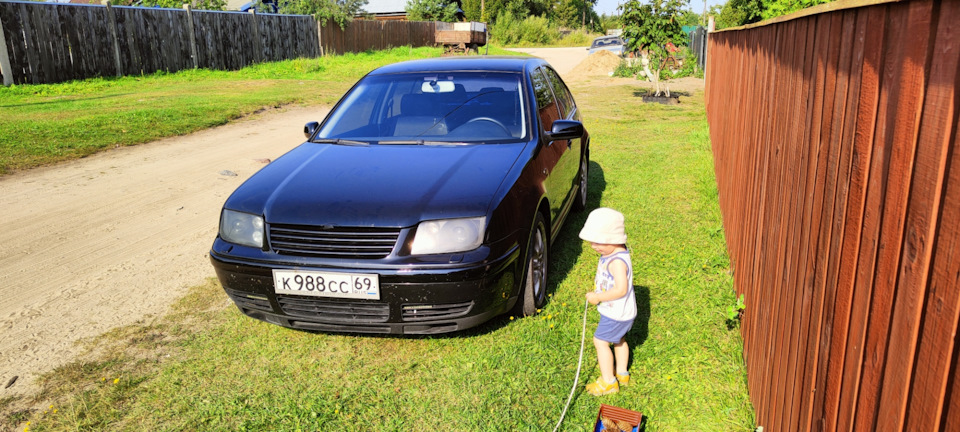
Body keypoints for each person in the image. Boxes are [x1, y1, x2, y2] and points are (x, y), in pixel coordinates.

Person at [579, 207, 636, 396]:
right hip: (623, 312)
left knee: (600, 341)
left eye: (598, 241)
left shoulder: (616, 262)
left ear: (613, 239)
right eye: (591, 241)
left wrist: (598, 297)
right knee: (619, 340)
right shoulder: (613, 253)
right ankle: (622, 373)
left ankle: (609, 382)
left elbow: (621, 289)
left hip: (616, 313)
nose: (593, 245)